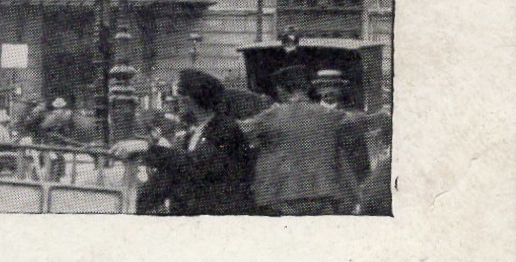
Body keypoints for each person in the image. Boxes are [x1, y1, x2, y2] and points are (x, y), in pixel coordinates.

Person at [241, 64, 367, 215]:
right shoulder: (330, 115)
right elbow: (361, 124)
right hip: (325, 193)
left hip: (282, 195)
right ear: (308, 88)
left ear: (281, 89)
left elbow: (240, 133)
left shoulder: (271, 117)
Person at [126, 69, 255, 215]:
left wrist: (148, 149)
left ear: (193, 97)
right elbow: (171, 173)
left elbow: (196, 164)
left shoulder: (225, 130)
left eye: (180, 93)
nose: (176, 100)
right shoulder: (194, 134)